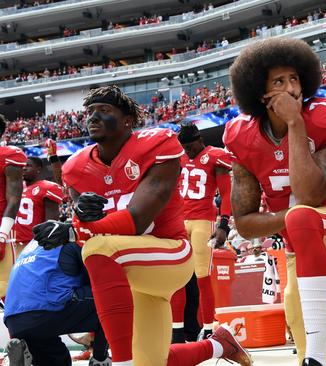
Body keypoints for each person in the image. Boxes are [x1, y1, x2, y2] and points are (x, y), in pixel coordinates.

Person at [31, 85, 252, 366]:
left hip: (169, 253)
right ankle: (218, 345)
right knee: (151, 361)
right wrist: (81, 217)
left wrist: (75, 229)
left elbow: (137, 219)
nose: (92, 117)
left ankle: (119, 362)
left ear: (127, 121)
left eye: (104, 110)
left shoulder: (155, 144)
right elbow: (90, 226)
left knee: (98, 249)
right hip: (133, 272)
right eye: (90, 112)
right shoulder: (77, 167)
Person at [225, 38, 326, 366]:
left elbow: (313, 195)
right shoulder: (240, 136)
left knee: (303, 216)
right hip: (296, 248)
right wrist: (289, 220)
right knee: (311, 343)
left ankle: (319, 352)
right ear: (261, 94)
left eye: (294, 79)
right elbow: (244, 223)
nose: (291, 88)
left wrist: (295, 124)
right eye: (278, 81)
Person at [171, 123, 233, 342]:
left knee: (202, 277)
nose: (187, 151)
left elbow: (226, 194)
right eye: (184, 147)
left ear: (199, 140)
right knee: (176, 277)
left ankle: (208, 327)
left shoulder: (215, 156)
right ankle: (176, 329)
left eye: (190, 146)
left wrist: (223, 224)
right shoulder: (179, 158)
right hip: (179, 220)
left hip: (202, 221)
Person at [4, 240, 109, 366]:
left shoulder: (34, 243)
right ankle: (100, 360)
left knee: (59, 360)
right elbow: (100, 279)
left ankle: (25, 353)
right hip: (46, 311)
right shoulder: (75, 240)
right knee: (111, 297)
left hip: (15, 322)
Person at [12, 157, 64, 259]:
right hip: (14, 243)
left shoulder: (46, 187)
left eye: (28, 166)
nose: (24, 168)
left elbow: (51, 222)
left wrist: (43, 244)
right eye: (22, 166)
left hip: (33, 244)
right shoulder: (17, 187)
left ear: (39, 169)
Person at [0, 114, 26, 301]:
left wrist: (1, 236)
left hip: (2, 229)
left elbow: (14, 199)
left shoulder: (9, 155)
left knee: (7, 292)